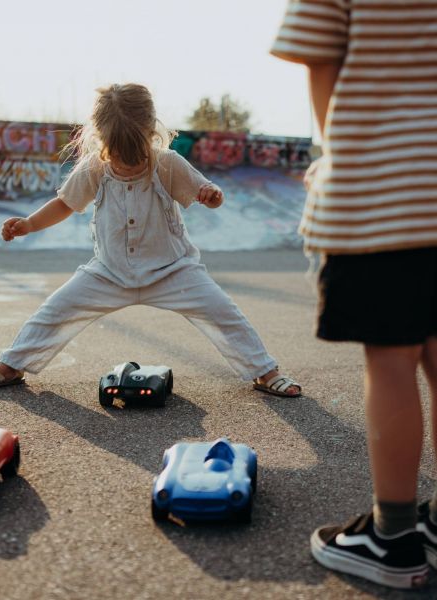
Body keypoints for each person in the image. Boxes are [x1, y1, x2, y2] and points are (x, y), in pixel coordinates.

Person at [0, 83, 301, 399]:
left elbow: (206, 192)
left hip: (174, 271)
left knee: (224, 312)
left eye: (134, 151)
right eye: (117, 152)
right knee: (54, 311)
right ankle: (11, 365)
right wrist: (28, 224)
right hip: (108, 272)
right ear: (100, 137)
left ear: (150, 131)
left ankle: (264, 371)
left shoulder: (167, 162)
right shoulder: (94, 167)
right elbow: (65, 204)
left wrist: (211, 196)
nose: (125, 162)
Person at [271, 0, 437, 590]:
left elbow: (321, 57)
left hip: (389, 193)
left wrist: (338, 154)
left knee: (392, 362)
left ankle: (391, 537)